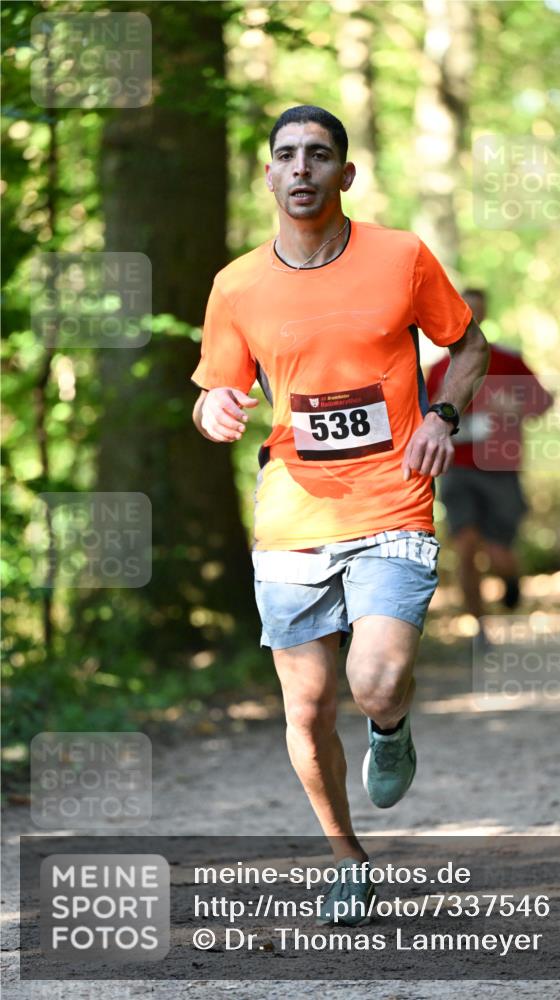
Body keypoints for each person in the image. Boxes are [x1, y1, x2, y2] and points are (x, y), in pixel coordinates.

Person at [191, 106, 489, 925]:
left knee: (376, 679)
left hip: (391, 499)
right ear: (269, 175)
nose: (300, 169)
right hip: (291, 516)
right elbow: (221, 387)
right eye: (285, 155)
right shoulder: (237, 285)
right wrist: (214, 409)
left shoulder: (399, 257)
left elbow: (468, 347)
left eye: (318, 156)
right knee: (307, 709)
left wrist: (442, 416)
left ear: (343, 175)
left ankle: (389, 727)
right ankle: (345, 857)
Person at [426, 288, 553, 626]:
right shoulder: (439, 369)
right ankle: (479, 625)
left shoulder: (509, 360)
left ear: (484, 315)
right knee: (466, 546)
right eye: (464, 310)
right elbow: (420, 417)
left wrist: (516, 408)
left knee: (498, 551)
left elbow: (542, 402)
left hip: (500, 466)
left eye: (476, 311)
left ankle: (510, 581)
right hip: (457, 467)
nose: (470, 317)